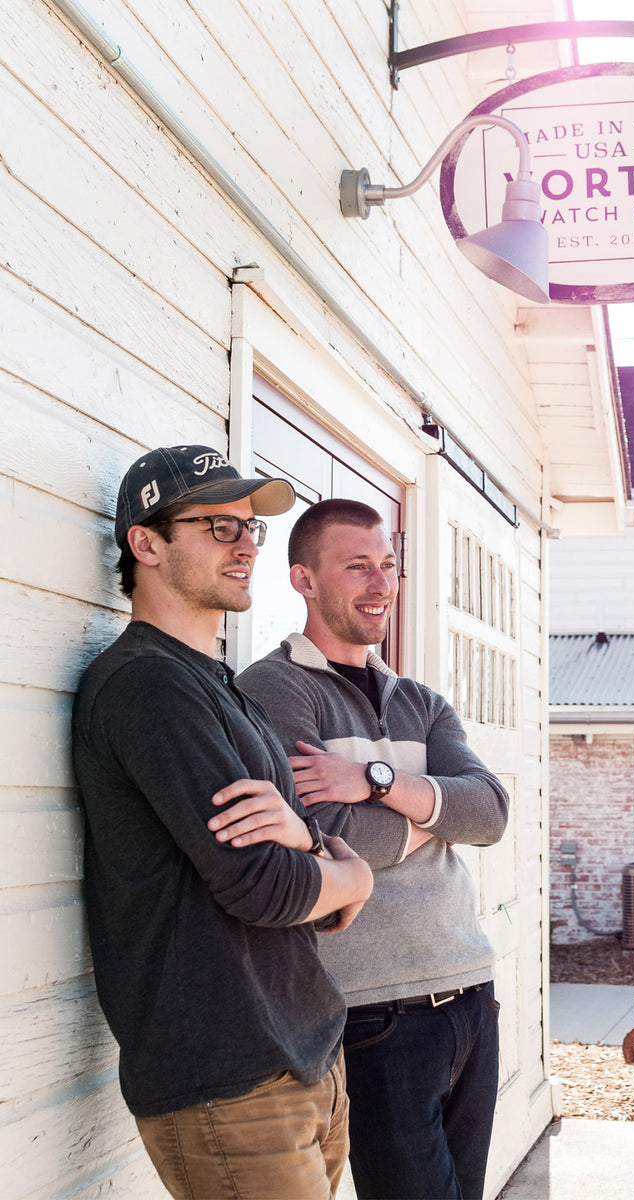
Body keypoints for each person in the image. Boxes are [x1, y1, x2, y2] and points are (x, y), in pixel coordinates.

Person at [72, 447, 373, 1200]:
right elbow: (268, 891)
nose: (245, 545)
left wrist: (311, 847)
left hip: (303, 1055)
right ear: (146, 543)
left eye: (250, 529)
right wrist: (351, 874)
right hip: (229, 1079)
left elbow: (303, 836)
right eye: (217, 526)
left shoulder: (220, 686)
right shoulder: (147, 687)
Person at [232, 498, 510, 1200]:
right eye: (357, 567)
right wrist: (428, 813)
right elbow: (330, 838)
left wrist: (372, 778)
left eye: (386, 564)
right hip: (375, 1014)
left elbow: (490, 813)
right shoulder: (272, 689)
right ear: (303, 580)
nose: (380, 584)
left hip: (471, 995)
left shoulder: (420, 700)